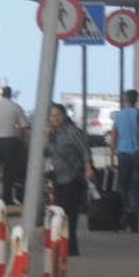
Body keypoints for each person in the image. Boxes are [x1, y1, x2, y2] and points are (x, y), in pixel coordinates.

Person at [46, 104, 94, 256]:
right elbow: (47, 152)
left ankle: (71, 247)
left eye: (57, 115)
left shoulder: (72, 131)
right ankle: (64, 245)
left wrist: (88, 168)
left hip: (73, 178)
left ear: (64, 116)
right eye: (52, 116)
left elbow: (84, 149)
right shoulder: (53, 134)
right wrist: (47, 137)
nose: (55, 119)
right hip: (59, 178)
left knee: (70, 214)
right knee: (60, 212)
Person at [110, 89, 139, 233]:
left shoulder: (119, 115)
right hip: (138, 154)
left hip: (122, 154)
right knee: (135, 188)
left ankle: (123, 214)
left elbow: (114, 136)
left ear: (125, 100)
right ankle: (134, 221)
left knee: (122, 186)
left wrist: (112, 156)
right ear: (136, 100)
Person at [0, 86, 29, 204]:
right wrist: (20, 140)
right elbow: (23, 127)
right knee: (8, 172)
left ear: (1, 94)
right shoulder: (16, 107)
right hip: (10, 142)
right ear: (11, 95)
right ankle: (7, 198)